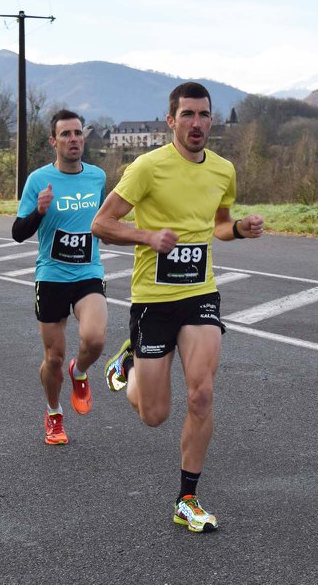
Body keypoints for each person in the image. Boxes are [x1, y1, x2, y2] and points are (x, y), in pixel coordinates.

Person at [91, 82, 264, 532]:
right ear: (171, 121)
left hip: (200, 294)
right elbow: (102, 224)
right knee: (154, 415)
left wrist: (239, 229)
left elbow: (219, 225)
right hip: (154, 300)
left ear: (212, 120)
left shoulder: (223, 170)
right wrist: (147, 236)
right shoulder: (148, 168)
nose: (196, 123)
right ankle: (131, 361)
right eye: (187, 114)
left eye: (203, 114)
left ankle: (187, 498)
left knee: (202, 394)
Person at [12, 109, 107, 446]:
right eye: (66, 134)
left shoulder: (97, 177)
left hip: (88, 272)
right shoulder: (38, 180)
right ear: (53, 141)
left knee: (95, 339)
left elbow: (103, 220)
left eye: (78, 133)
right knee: (53, 358)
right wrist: (39, 211)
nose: (73, 139)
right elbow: (18, 233)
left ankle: (79, 371)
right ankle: (54, 413)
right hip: (52, 276)